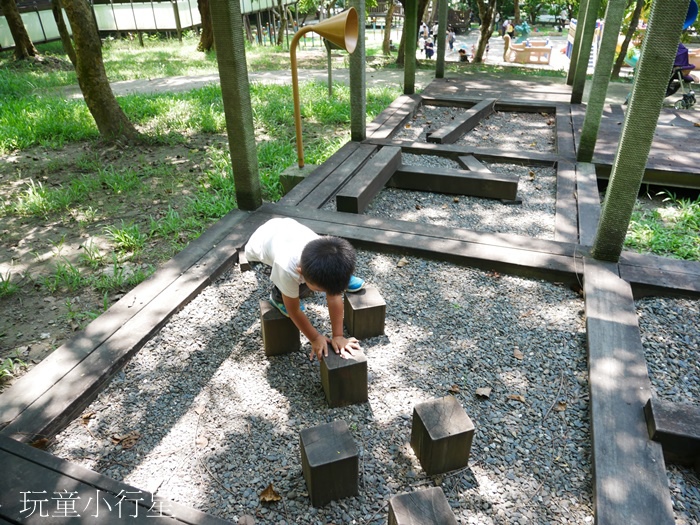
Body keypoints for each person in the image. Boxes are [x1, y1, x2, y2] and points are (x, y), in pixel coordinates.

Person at [244, 218, 364, 361]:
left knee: (328, 282)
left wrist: (338, 335)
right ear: (300, 272)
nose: (326, 293)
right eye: (321, 290)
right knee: (296, 291)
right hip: (258, 252)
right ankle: (277, 297)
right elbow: (294, 310)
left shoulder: (326, 249)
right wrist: (314, 338)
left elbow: (334, 296)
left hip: (282, 230)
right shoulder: (287, 268)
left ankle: (336, 277)